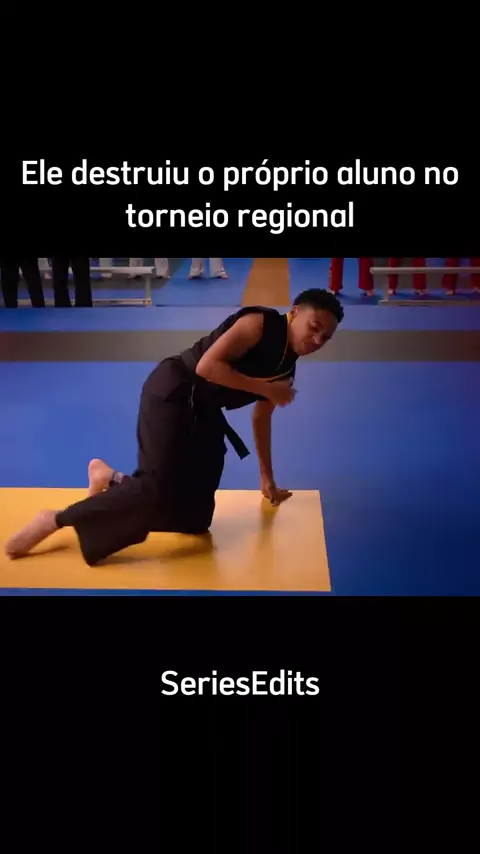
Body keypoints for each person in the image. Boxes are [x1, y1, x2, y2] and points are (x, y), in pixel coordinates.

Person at [5, 289, 343, 566]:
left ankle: (109, 478)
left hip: (204, 412)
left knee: (195, 519)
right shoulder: (258, 324)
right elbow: (207, 367)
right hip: (173, 390)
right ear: (295, 313)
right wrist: (265, 388)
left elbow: (261, 417)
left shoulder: (286, 370)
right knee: (156, 487)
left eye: (325, 337)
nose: (317, 339)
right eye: (314, 327)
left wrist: (267, 478)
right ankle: (56, 520)